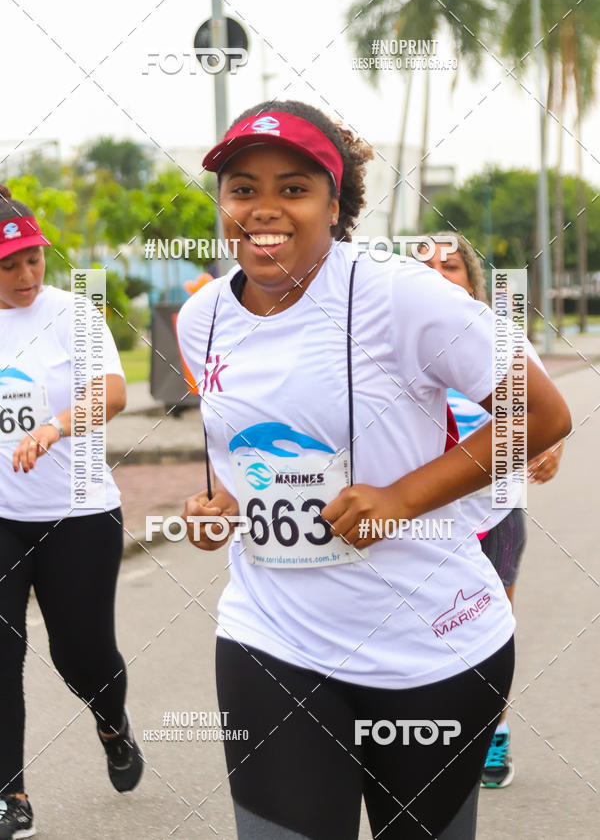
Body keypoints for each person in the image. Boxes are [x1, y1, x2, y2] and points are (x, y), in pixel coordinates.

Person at [176, 101, 571, 839]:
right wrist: (220, 503)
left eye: (293, 188)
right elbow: (250, 454)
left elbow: (541, 414)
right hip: (274, 637)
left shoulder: (398, 293)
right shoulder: (202, 319)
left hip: (433, 643)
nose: (264, 209)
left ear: (336, 202)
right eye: (242, 188)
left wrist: (402, 497)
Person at [0, 186, 143, 840]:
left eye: (34, 259)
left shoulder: (72, 312)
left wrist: (55, 428)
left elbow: (111, 392)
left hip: (79, 514)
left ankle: (112, 724)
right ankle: (11, 796)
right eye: (10, 265)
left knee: (81, 654)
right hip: (3, 517)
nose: (28, 276)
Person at [420, 233, 564, 789]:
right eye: (426, 267)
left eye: (451, 267)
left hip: (495, 511)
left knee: (490, 627)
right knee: (426, 630)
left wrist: (551, 449)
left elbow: (544, 413)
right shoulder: (390, 345)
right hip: (421, 521)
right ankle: (424, 733)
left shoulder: (502, 339)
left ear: (472, 282)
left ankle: (491, 735)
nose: (439, 276)